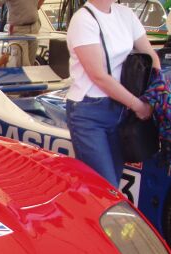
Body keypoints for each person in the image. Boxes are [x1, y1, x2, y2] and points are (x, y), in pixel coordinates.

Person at [65, 0, 160, 187]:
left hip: (120, 108)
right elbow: (98, 75)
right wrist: (138, 105)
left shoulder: (125, 14)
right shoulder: (82, 20)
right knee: (104, 186)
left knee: (112, 184)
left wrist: (158, 89)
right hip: (89, 113)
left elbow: (151, 55)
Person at [0, 0, 43, 66]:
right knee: (24, 64)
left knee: (31, 63)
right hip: (18, 30)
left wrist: (37, 5)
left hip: (34, 27)